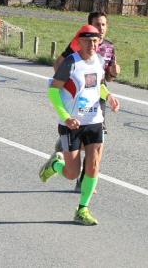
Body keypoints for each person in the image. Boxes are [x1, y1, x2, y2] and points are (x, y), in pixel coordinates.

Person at [39, 25, 120, 226]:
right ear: (79, 41)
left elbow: (98, 85)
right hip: (71, 124)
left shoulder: (100, 61)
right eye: (87, 40)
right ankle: (56, 164)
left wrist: (108, 96)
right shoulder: (71, 63)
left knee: (93, 165)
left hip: (94, 121)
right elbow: (53, 91)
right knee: (72, 173)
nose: (92, 44)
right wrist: (65, 117)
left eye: (95, 41)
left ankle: (82, 209)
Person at [52, 11, 121, 191]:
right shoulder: (78, 44)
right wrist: (68, 80)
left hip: (98, 100)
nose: (101, 29)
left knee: (97, 147)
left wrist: (114, 73)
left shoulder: (109, 47)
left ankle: (85, 181)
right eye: (97, 25)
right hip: (76, 100)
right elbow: (58, 65)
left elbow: (108, 77)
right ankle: (68, 151)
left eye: (104, 25)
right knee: (81, 143)